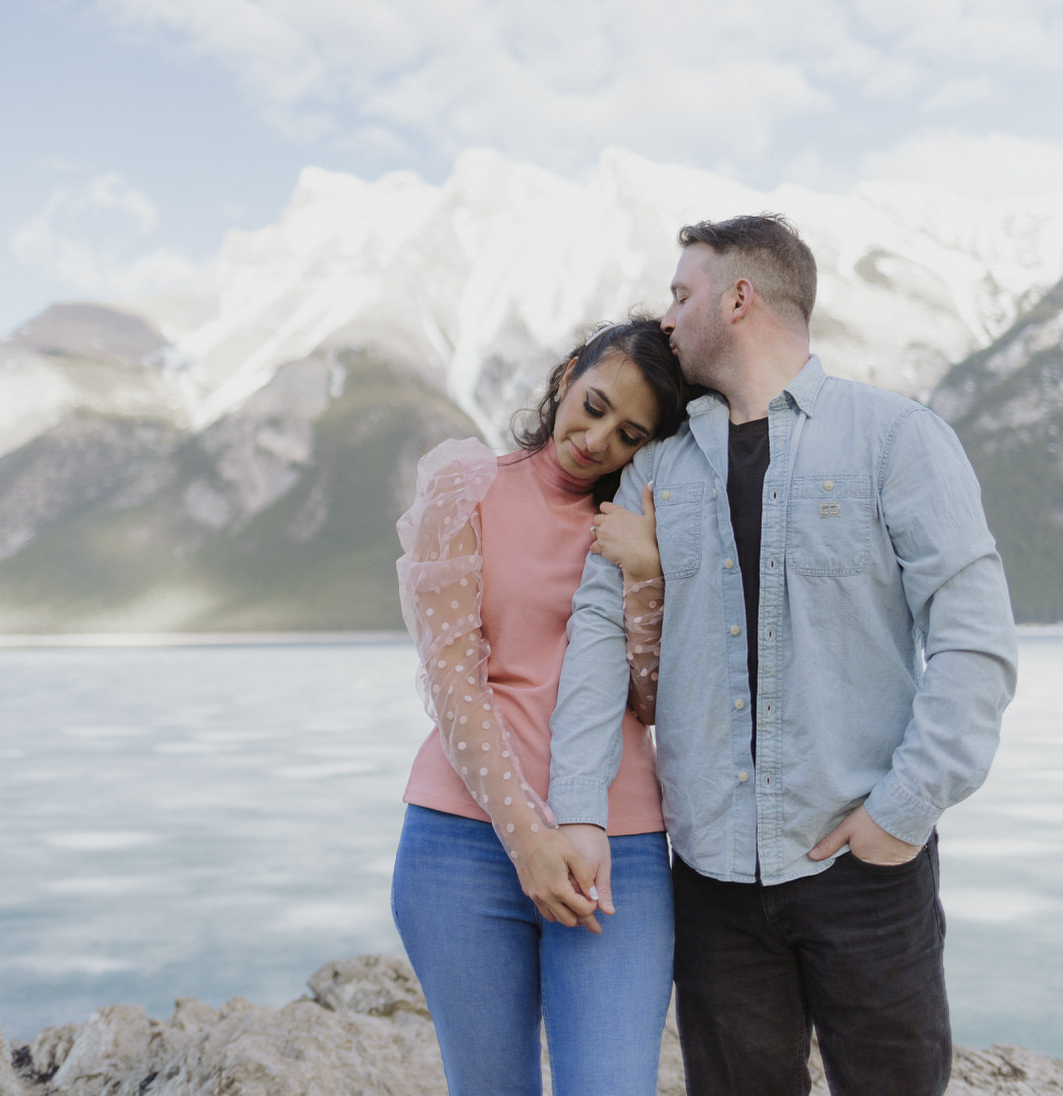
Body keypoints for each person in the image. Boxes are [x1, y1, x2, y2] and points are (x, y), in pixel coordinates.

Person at [548, 213, 1019, 1096]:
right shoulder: (655, 470)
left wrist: (902, 811)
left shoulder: (897, 439)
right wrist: (577, 807)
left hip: (864, 865)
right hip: (712, 877)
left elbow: (974, 642)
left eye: (681, 294)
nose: (665, 317)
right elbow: (598, 640)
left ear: (739, 297)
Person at [391, 317, 689, 1096]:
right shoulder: (464, 488)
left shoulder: (645, 523)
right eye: (591, 406)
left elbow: (651, 699)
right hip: (461, 843)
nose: (596, 440)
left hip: (615, 848)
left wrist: (648, 573)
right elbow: (453, 679)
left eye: (628, 434)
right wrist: (529, 840)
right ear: (565, 378)